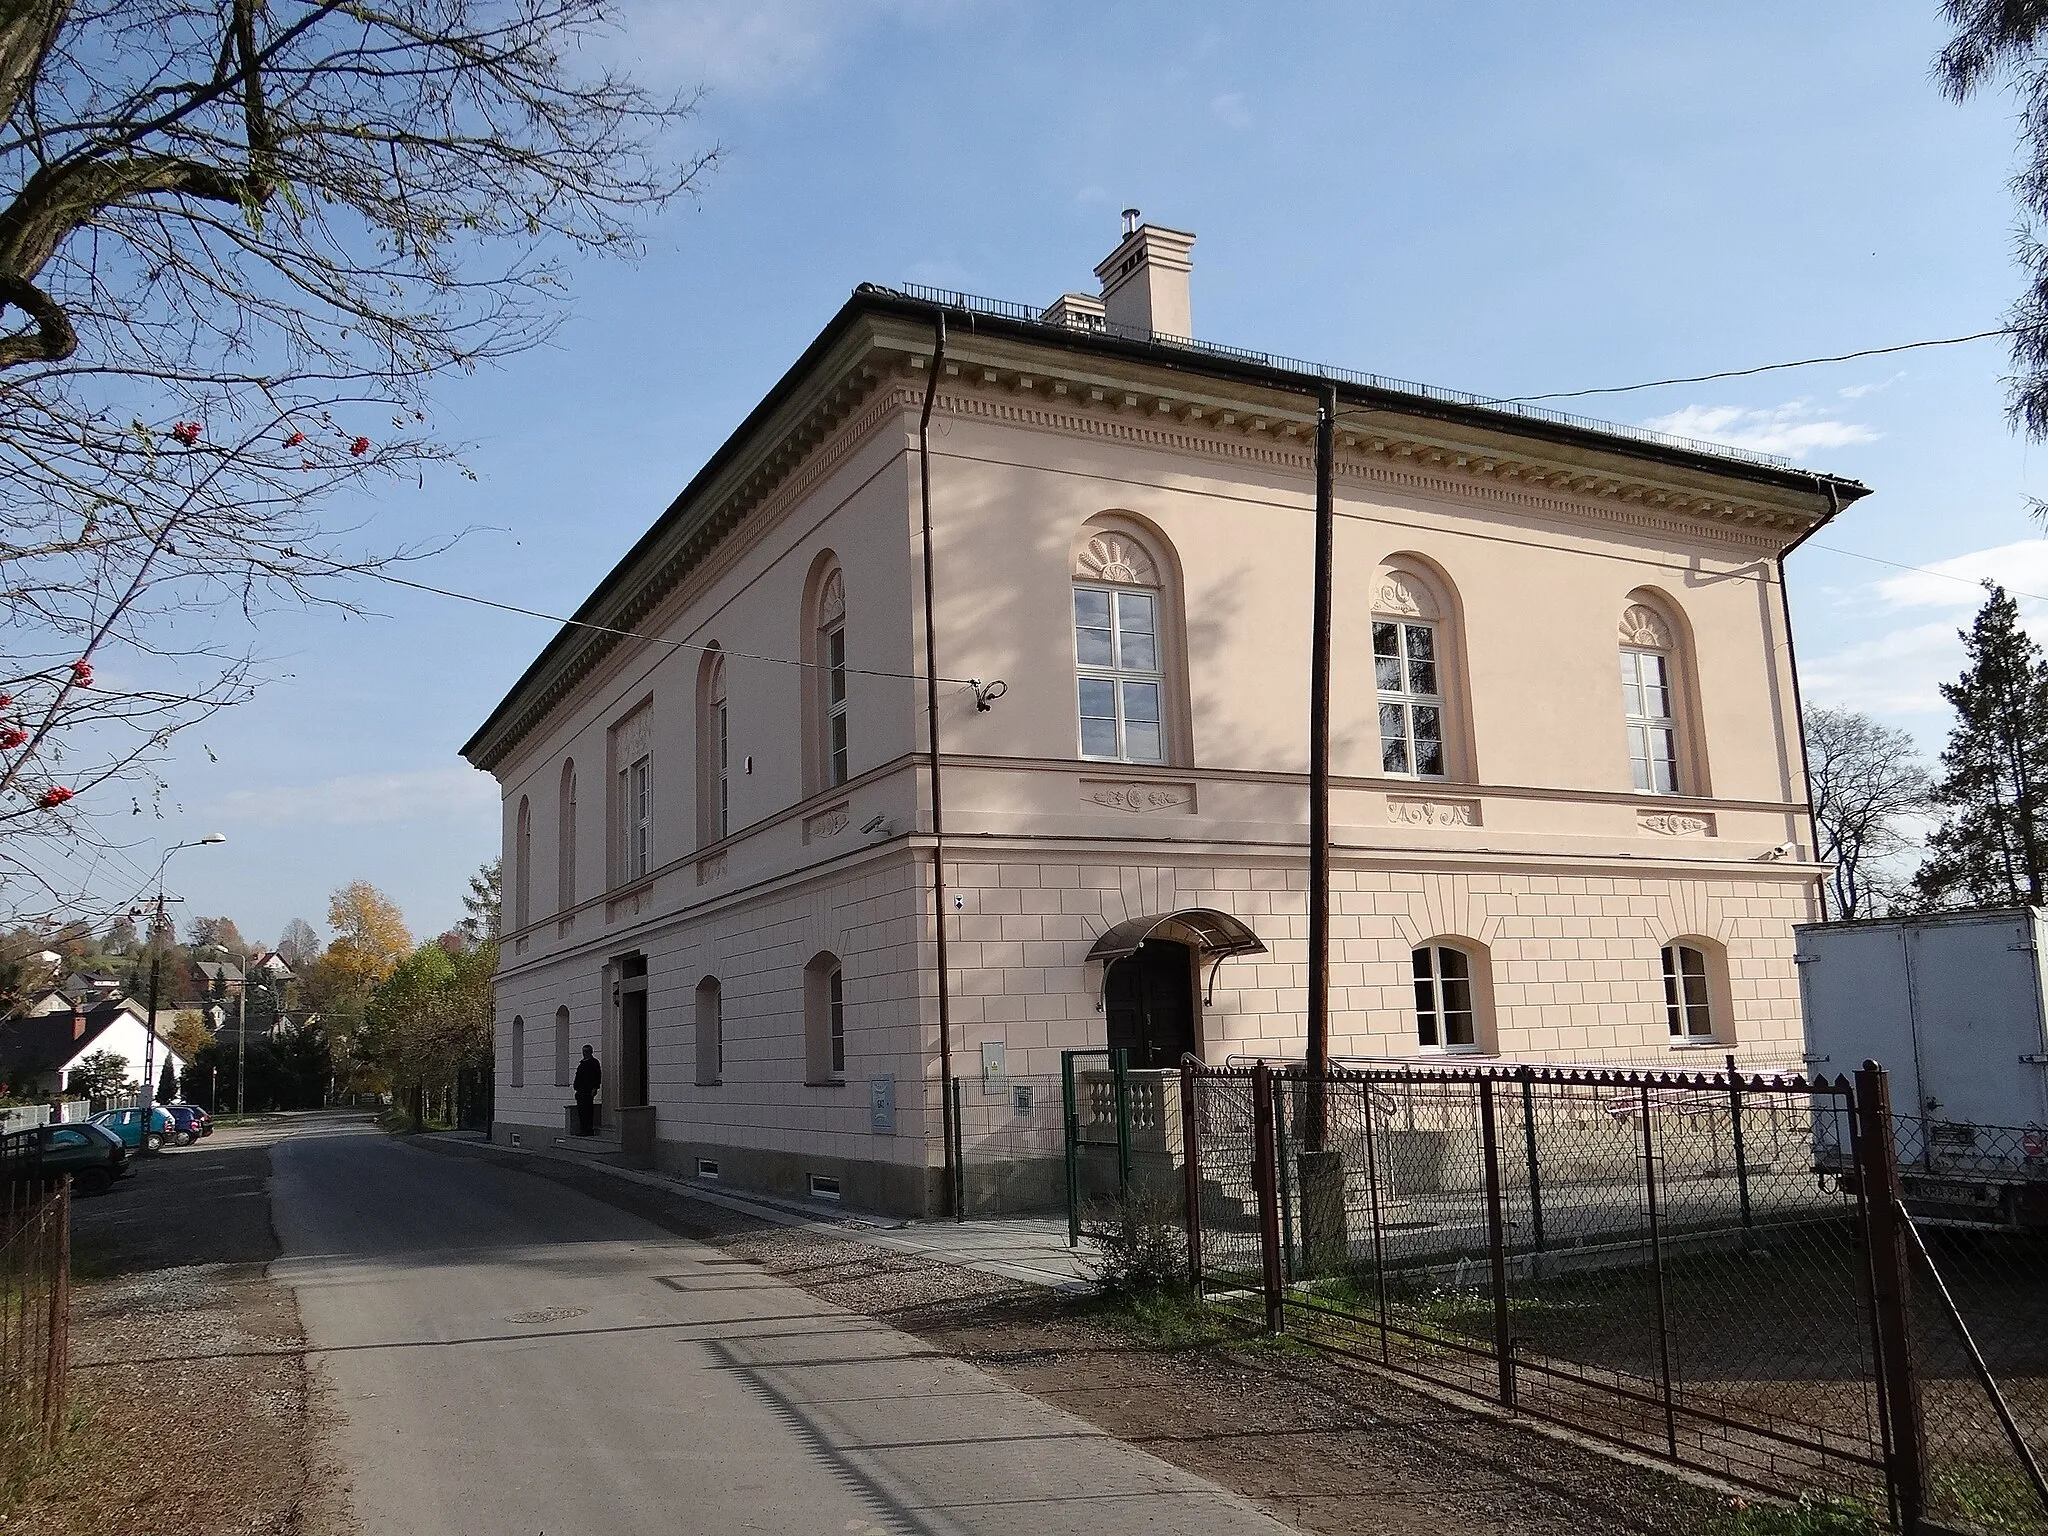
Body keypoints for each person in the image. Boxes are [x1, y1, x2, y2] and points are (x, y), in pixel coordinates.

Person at [572, 1044, 602, 1136]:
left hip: (588, 1091)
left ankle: (588, 1130)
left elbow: (597, 1076)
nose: (585, 1053)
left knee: (588, 1111)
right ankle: (583, 1129)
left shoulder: (594, 1063)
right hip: (580, 1091)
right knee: (581, 1111)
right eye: (583, 1052)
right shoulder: (581, 1064)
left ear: (591, 1052)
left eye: (587, 1051)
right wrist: (576, 1088)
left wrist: (595, 1088)